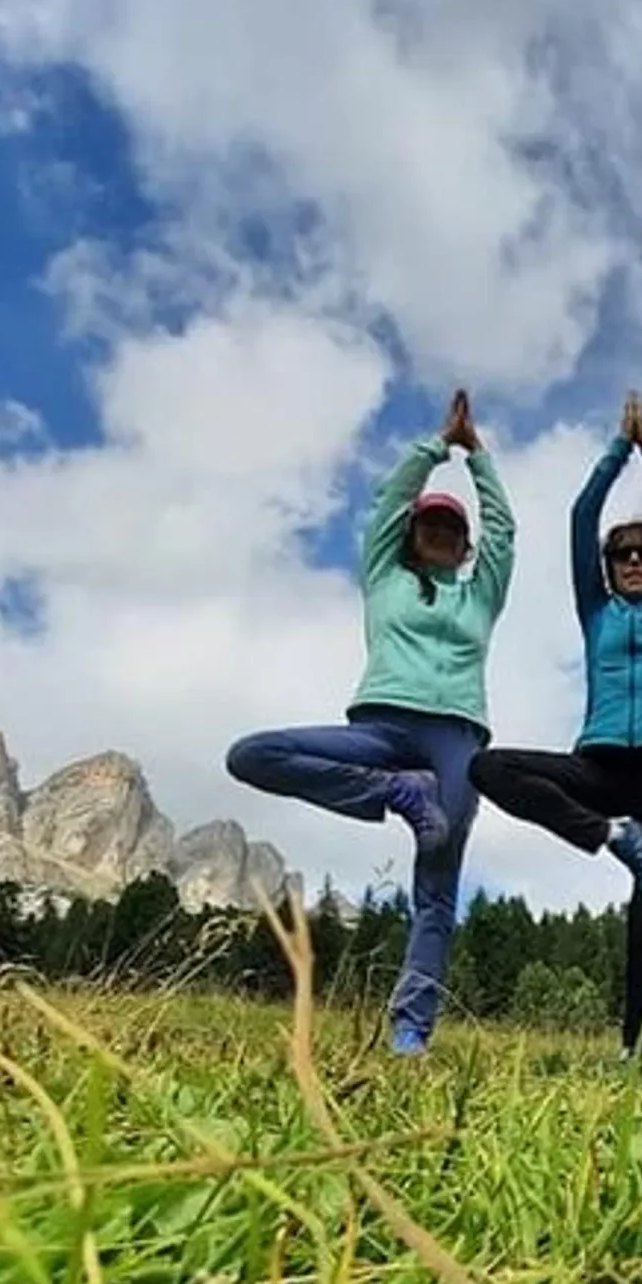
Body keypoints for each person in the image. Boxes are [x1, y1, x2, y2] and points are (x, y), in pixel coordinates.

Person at [225, 390, 513, 1056]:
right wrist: (437, 447)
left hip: (456, 740)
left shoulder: (481, 594)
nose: (440, 532)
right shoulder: (385, 575)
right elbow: (389, 501)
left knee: (437, 887)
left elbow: (505, 530)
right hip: (381, 729)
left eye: (451, 528)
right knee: (251, 754)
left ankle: (410, 1031)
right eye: (429, 524)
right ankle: (395, 793)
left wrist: (479, 457)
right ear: (412, 537)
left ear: (463, 544)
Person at [467, 392, 642, 1060]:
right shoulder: (596, 614)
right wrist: (614, 452)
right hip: (598, 767)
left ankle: (637, 1055)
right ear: (609, 567)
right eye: (622, 555)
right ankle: (608, 835)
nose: (632, 562)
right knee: (489, 767)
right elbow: (579, 517)